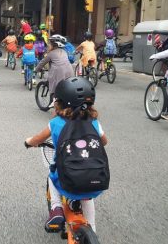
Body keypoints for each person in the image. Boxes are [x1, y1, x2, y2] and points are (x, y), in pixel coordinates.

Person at [25, 77, 108, 232]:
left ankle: (56, 208)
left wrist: (29, 141)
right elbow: (104, 142)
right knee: (86, 197)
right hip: (95, 178)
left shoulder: (56, 123)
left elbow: (37, 139)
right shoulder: (94, 122)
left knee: (52, 175)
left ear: (60, 102)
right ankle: (92, 230)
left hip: (67, 178)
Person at [35, 35, 74, 107]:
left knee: (54, 84)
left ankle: (55, 100)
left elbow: (42, 62)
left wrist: (36, 70)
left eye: (50, 44)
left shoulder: (51, 54)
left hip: (59, 73)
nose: (48, 45)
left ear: (54, 45)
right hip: (69, 71)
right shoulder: (64, 51)